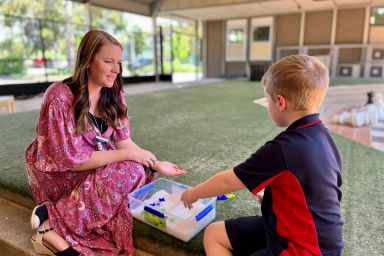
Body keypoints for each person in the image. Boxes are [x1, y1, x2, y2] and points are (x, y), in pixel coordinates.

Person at [25, 29, 187, 256]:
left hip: (91, 157)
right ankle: (51, 221)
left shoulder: (113, 92)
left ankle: (62, 216)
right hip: (56, 170)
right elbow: (70, 159)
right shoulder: (60, 95)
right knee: (129, 169)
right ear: (88, 60)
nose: (116, 70)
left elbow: (124, 142)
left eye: (119, 63)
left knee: (142, 171)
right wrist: (130, 156)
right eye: (108, 61)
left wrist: (156, 163)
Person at [181, 55, 344, 256]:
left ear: (280, 102)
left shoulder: (282, 149)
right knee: (214, 233)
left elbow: (227, 182)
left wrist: (193, 193)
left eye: (267, 99)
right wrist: (276, 199)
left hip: (300, 250)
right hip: (302, 235)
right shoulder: (325, 138)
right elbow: (319, 192)